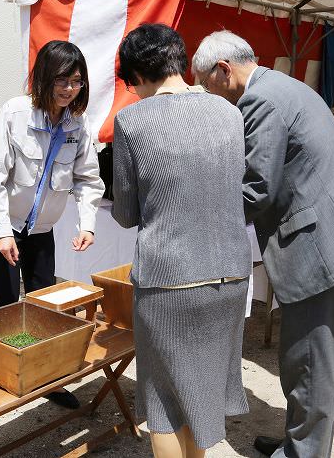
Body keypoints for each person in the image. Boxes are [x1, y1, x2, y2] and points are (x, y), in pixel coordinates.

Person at [191, 30, 334, 458]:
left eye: (208, 86)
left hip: (318, 244)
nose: (213, 97)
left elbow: (256, 187)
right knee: (324, 358)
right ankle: (305, 442)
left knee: (309, 362)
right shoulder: (284, 85)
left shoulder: (260, 101)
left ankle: (304, 453)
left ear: (224, 70)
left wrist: (199, 217)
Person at [111, 23, 251, 458]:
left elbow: (126, 213)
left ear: (136, 75)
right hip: (230, 276)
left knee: (164, 403)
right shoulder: (230, 112)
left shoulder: (130, 121)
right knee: (201, 393)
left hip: (168, 281)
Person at [0, 40, 105, 408]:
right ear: (44, 78)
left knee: (44, 302)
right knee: (4, 300)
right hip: (3, 222)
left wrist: (88, 224)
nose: (68, 89)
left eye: (77, 81)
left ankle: (46, 377)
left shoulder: (77, 125)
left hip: (42, 231)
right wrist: (3, 232)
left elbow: (87, 179)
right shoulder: (14, 113)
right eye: (61, 80)